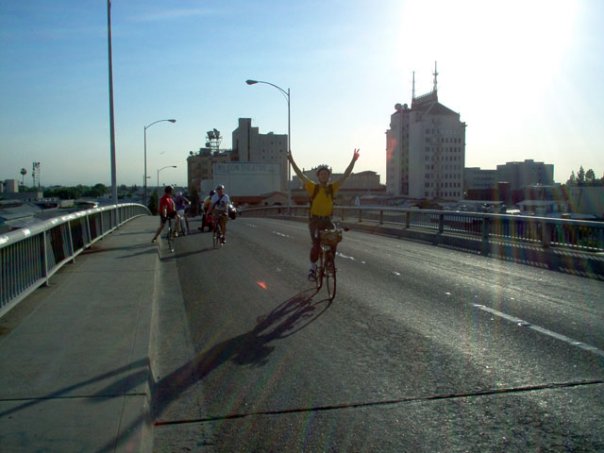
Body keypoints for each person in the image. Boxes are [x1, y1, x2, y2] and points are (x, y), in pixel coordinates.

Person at [288, 149, 360, 280]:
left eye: (326, 174)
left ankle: (329, 262)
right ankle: (312, 268)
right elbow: (299, 174)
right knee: (316, 245)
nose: (324, 176)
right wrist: (292, 161)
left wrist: (353, 160)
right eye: (321, 174)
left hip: (327, 220)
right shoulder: (312, 187)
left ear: (329, 176)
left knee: (334, 240)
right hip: (315, 221)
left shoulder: (332, 188)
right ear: (318, 176)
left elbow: (345, 175)